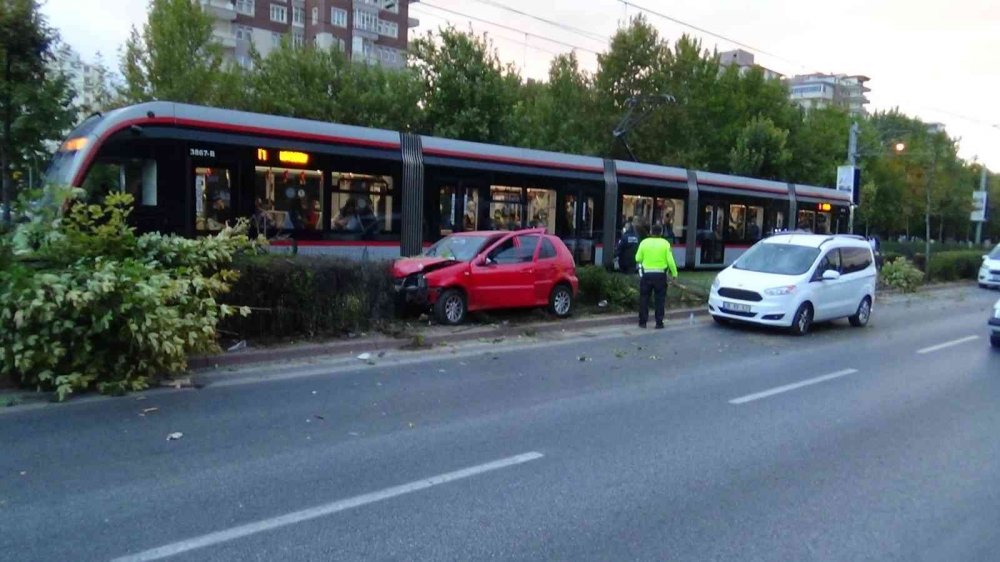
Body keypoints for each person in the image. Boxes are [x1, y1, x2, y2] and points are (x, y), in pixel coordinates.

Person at [635, 223, 679, 329]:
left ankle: (642, 322)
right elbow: (670, 261)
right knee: (660, 299)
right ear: (661, 233)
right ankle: (659, 322)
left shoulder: (644, 242)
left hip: (646, 275)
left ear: (651, 232)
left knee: (644, 298)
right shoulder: (665, 244)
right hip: (660, 276)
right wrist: (674, 274)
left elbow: (637, 258)